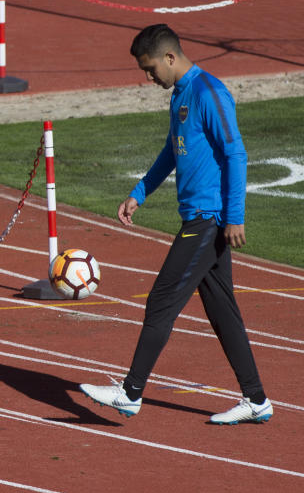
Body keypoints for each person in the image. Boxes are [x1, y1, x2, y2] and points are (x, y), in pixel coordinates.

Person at [79, 24, 272, 425]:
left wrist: (234, 216)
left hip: (208, 219)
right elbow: (173, 150)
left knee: (161, 300)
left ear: (170, 57)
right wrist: (139, 192)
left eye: (150, 69)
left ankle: (130, 393)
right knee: (222, 311)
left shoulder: (208, 92)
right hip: (198, 217)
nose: (148, 78)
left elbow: (236, 154)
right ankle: (256, 400)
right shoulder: (181, 96)